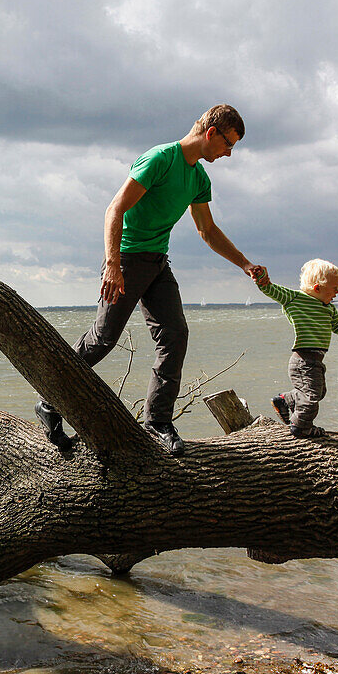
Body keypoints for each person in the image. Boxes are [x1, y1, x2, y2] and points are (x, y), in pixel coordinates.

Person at [35, 104, 266, 456]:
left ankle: (157, 421)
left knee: (175, 334)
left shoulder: (199, 179)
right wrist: (113, 264)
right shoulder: (160, 159)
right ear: (211, 134)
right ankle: (49, 401)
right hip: (126, 260)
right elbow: (115, 209)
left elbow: (208, 231)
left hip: (158, 264)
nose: (229, 153)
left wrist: (245, 264)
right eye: (228, 144)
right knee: (103, 339)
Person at [255, 259, 338, 438]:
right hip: (303, 359)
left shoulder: (329, 309)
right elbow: (271, 289)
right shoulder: (296, 299)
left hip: (316, 360)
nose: (337, 292)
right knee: (311, 397)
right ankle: (300, 427)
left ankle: (286, 399)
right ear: (318, 288)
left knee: (319, 392)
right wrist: (261, 278)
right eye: (334, 288)